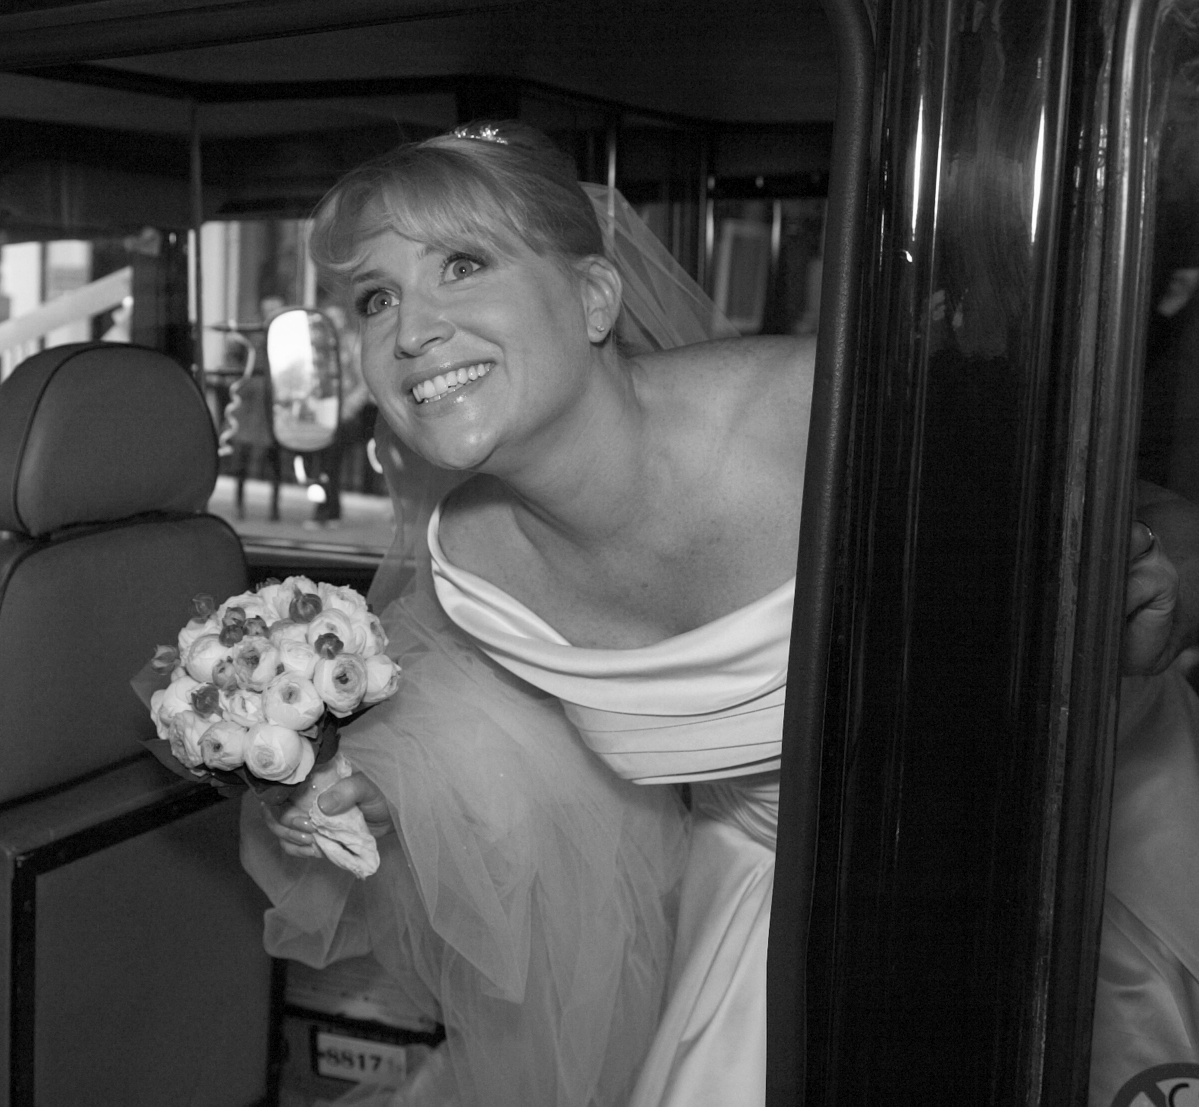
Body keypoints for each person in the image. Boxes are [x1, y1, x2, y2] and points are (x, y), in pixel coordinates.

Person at [240, 122, 1199, 1106]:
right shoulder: (470, 564)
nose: (410, 331)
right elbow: (515, 751)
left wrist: (1146, 611)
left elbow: (1135, 516)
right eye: (374, 299)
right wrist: (380, 790)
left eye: (462, 264)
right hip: (759, 904)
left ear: (593, 298)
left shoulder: (829, 413)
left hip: (1032, 860)